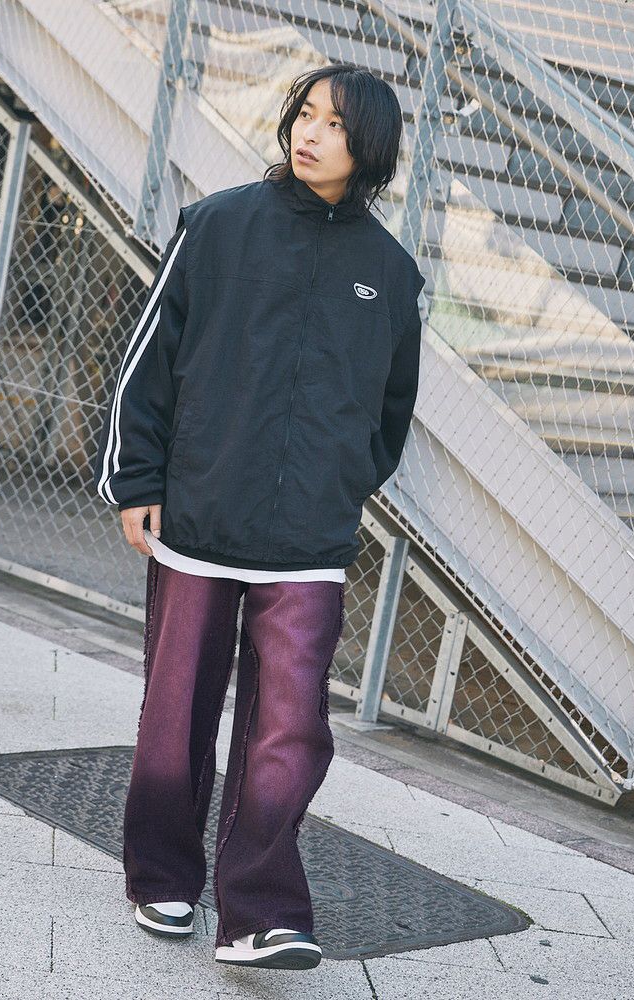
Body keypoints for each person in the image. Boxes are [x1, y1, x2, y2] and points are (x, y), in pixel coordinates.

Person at [93, 63, 426, 970]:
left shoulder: (390, 275)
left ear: (370, 146)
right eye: (303, 114)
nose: (310, 132)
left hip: (308, 544)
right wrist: (137, 478)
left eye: (335, 123)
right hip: (200, 520)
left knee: (288, 731)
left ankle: (261, 912)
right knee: (177, 712)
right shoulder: (217, 226)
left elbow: (389, 416)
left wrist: (335, 484)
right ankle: (162, 877)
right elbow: (147, 362)